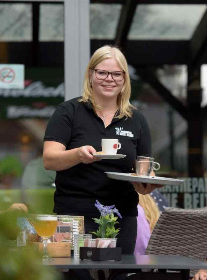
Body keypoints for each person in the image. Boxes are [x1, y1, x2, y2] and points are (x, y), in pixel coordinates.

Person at [43, 45, 160, 255]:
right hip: (74, 214)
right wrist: (77, 154)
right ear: (91, 75)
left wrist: (146, 184)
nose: (109, 79)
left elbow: (144, 169)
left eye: (116, 74)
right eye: (102, 72)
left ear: (124, 79)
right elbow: (49, 160)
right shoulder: (68, 112)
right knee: (76, 276)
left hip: (122, 216)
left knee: (119, 275)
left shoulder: (136, 119)